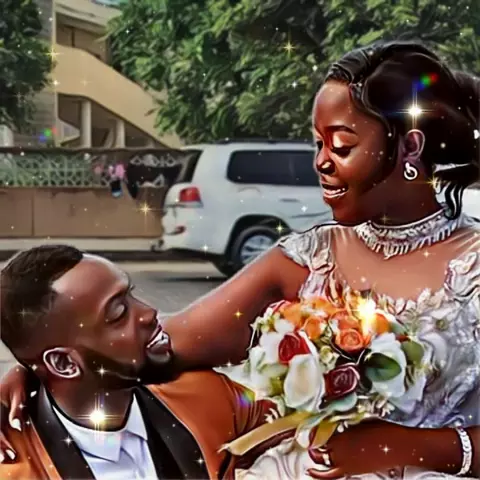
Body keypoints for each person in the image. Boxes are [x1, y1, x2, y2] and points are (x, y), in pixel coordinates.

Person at [2, 40, 480, 478]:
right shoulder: (308, 259)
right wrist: (41, 365)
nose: (320, 162)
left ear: (410, 147)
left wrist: (406, 447)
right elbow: (157, 344)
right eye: (317, 143)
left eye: (341, 145)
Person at [0, 245, 288, 479]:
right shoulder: (14, 467)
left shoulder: (209, 396)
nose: (149, 313)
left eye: (131, 295)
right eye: (118, 313)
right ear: (63, 363)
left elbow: (300, 434)